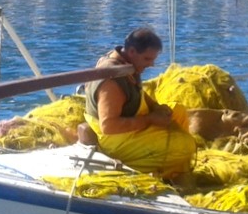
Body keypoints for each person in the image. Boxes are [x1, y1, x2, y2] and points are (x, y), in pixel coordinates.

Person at [84, 27, 196, 179]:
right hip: (117, 140)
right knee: (186, 146)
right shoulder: (112, 81)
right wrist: (150, 119)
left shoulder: (127, 63)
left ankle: (174, 164)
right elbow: (108, 126)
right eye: (147, 59)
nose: (151, 65)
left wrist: (155, 107)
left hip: (131, 125)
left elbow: (138, 92)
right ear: (131, 52)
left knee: (178, 110)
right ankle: (157, 171)